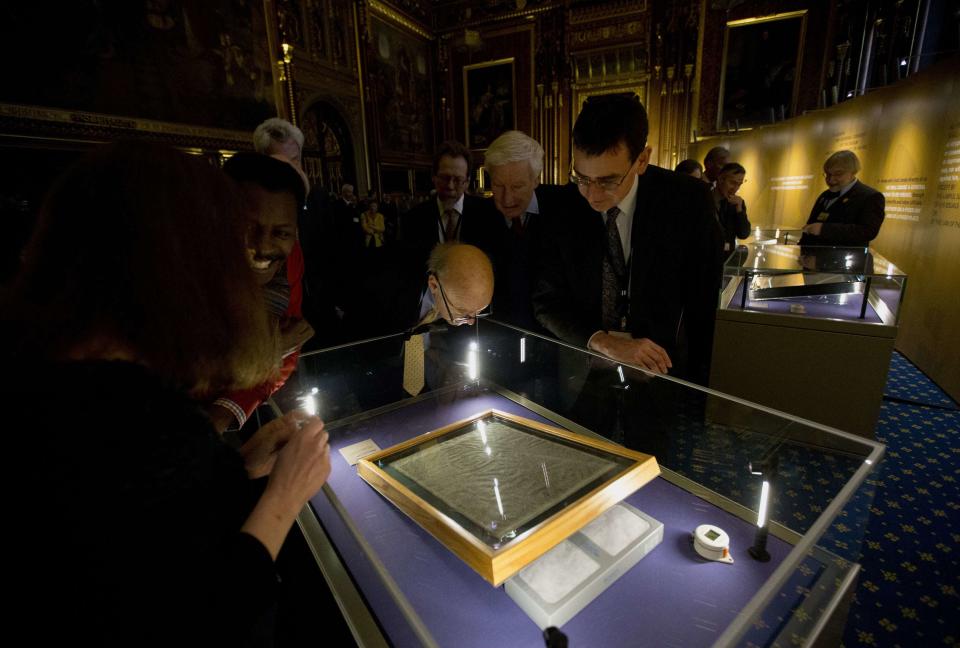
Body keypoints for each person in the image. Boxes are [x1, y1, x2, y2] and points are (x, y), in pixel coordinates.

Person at [4, 142, 331, 645]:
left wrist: (237, 468)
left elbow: (161, 518)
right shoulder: (117, 416)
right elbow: (202, 615)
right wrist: (284, 497)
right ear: (178, 270)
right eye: (226, 245)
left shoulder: (71, 373)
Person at [533, 94, 721, 384]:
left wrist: (697, 391)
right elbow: (547, 300)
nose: (592, 196)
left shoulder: (688, 201)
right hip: (583, 375)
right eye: (581, 178)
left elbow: (703, 308)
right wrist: (601, 340)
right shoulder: (563, 207)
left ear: (642, 159)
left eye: (608, 181)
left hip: (663, 375)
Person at [208, 152, 313, 434]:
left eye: (280, 233)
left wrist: (230, 408)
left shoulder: (290, 260)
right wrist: (268, 351)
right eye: (249, 227)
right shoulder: (184, 276)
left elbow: (288, 342)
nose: (264, 247)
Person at [484, 130, 563, 330]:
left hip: (556, 337)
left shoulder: (564, 208)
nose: (507, 199)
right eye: (498, 185)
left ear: (536, 179)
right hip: (499, 335)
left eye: (517, 186)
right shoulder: (479, 215)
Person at [400, 140, 500, 277]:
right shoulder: (413, 219)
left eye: (458, 180)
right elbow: (408, 269)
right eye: (444, 178)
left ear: (467, 182)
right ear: (433, 177)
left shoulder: (487, 214)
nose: (450, 186)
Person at [799, 150, 884, 246]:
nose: (830, 179)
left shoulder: (871, 197)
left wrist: (824, 229)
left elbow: (867, 232)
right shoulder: (824, 195)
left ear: (853, 172)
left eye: (838, 174)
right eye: (827, 174)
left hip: (849, 258)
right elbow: (809, 228)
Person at [713, 162, 752, 258]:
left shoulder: (737, 203)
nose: (735, 188)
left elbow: (743, 234)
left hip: (727, 258)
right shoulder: (705, 199)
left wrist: (739, 210)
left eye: (739, 184)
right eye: (732, 183)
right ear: (721, 179)